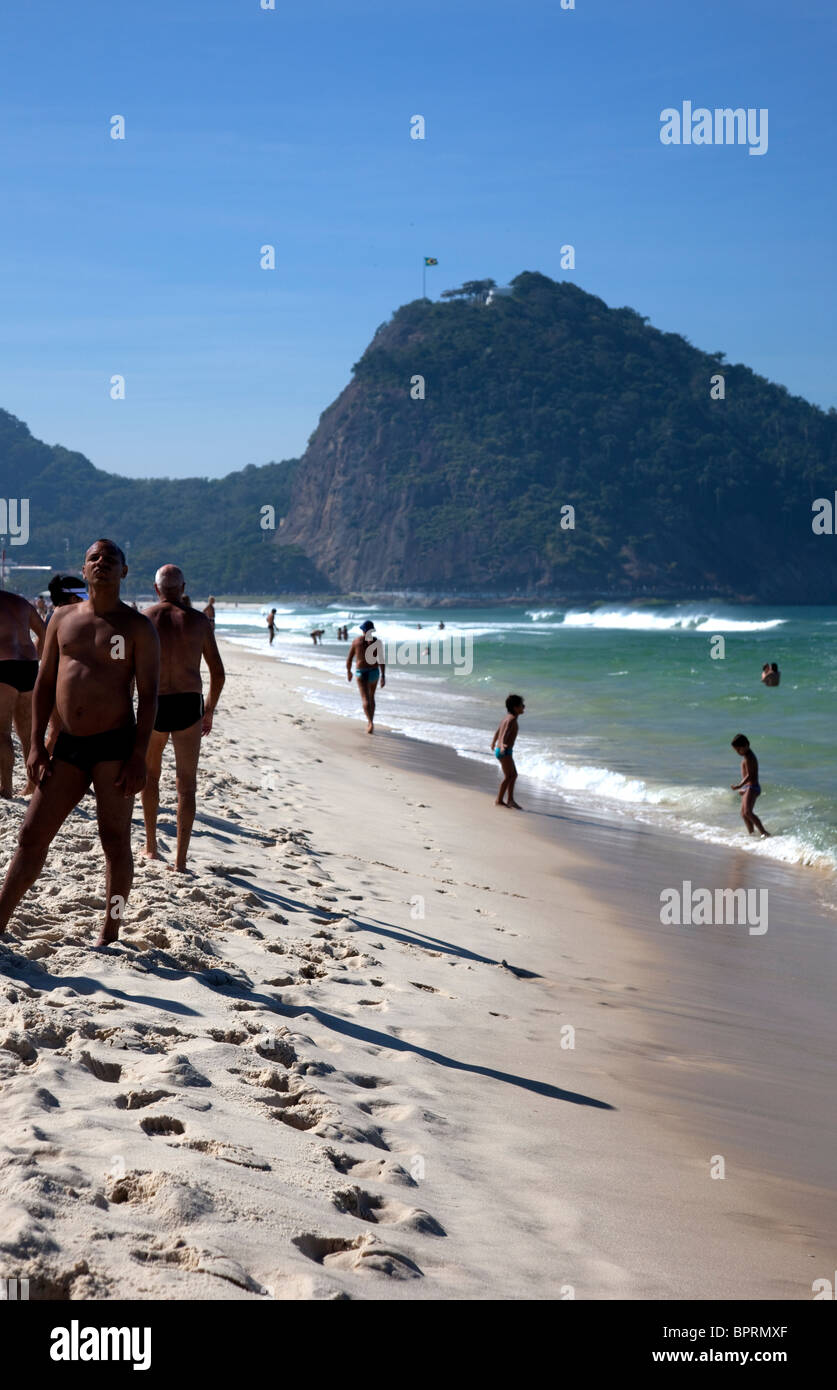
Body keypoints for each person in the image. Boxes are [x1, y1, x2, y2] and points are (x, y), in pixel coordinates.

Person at [0, 539, 159, 946]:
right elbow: (44, 683)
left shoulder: (138, 627)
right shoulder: (61, 618)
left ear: (124, 571)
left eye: (110, 558)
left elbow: (150, 695)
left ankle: (111, 927)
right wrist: (36, 743)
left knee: (115, 842)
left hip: (116, 747)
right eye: (94, 558)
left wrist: (139, 754)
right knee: (31, 836)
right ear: (84, 570)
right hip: (68, 746)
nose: (101, 562)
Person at [142, 565, 225, 873]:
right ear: (183, 587)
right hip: (189, 702)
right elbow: (218, 672)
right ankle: (180, 861)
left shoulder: (146, 619)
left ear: (155, 588)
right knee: (186, 785)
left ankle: (151, 847)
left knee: (150, 776)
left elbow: (129, 670)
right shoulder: (199, 622)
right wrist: (209, 709)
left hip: (155, 702)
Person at [0, 591, 46, 797]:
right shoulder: (20, 601)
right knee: (27, 733)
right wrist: (37, 654)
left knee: (2, 733)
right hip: (28, 665)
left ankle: (6, 788)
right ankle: (32, 785)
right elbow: (45, 632)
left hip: (3, 665)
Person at [347, 620, 385, 734]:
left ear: (362, 630)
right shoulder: (377, 642)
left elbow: (349, 659)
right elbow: (381, 661)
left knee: (365, 698)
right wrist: (383, 676)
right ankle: (371, 721)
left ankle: (370, 722)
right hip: (374, 672)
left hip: (361, 672)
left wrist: (348, 671)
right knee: (371, 697)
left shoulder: (356, 641)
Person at [730, 733, 769, 837]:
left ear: (746, 745)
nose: (738, 752)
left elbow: (750, 775)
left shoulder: (749, 757)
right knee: (743, 814)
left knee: (748, 812)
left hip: (752, 787)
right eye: (736, 750)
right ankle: (751, 834)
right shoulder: (746, 756)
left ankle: (764, 832)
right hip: (748, 788)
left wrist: (739, 786)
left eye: (739, 749)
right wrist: (744, 788)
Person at [491, 694, 525, 809]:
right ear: (515, 707)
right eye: (522, 705)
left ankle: (510, 799)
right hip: (504, 751)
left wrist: (494, 742)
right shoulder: (512, 719)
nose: (524, 707)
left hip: (503, 750)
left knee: (513, 775)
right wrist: (502, 745)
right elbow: (505, 732)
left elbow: (498, 731)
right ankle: (500, 800)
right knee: (509, 776)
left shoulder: (506, 718)